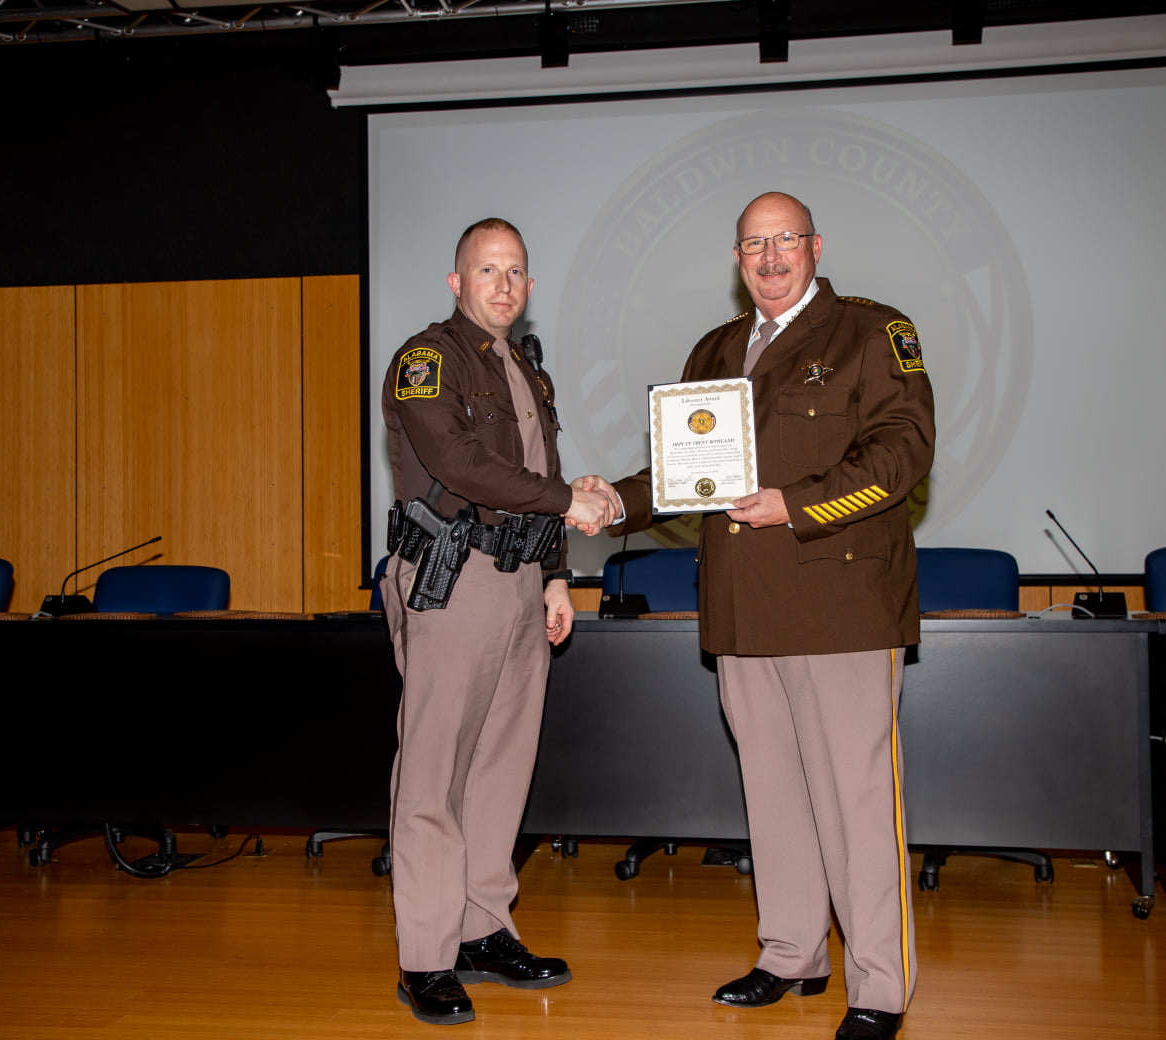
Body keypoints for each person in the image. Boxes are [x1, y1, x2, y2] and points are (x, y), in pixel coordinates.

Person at [588, 192, 935, 1040]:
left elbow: (902, 453)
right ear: (737, 258)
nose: (770, 256)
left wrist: (798, 504)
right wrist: (611, 503)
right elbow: (684, 475)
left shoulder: (874, 330)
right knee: (772, 794)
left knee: (856, 801)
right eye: (754, 243)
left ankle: (879, 986)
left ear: (816, 245)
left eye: (784, 240)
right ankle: (791, 956)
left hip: (839, 605)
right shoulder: (715, 347)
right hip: (742, 608)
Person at [378, 217, 616, 1025]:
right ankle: (426, 956)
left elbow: (535, 474)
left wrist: (554, 576)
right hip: (452, 578)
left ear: (529, 285)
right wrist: (567, 502)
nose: (504, 285)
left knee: (501, 771)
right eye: (488, 271)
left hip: (519, 585)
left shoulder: (528, 374)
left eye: (515, 271)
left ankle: (483, 929)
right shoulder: (424, 360)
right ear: (458, 282)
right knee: (434, 773)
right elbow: (459, 464)